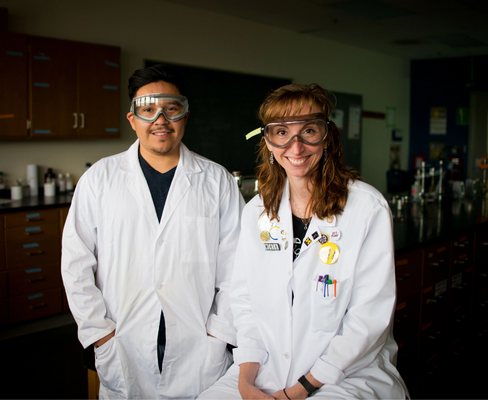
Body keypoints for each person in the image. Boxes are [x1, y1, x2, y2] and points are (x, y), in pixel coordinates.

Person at [198, 83, 409, 399]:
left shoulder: (366, 208)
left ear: (327, 137)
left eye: (308, 130)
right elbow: (244, 301)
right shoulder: (257, 211)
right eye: (282, 133)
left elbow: (367, 319)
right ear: (268, 141)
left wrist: (299, 390)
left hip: (345, 375)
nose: (295, 148)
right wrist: (245, 381)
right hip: (267, 366)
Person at [61, 64, 244, 399]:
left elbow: (238, 267)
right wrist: (100, 333)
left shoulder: (216, 181)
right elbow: (75, 262)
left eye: (171, 109)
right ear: (132, 119)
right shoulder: (100, 179)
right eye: (147, 110)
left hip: (198, 344)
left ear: (186, 115)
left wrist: (220, 332)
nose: (160, 120)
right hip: (123, 339)